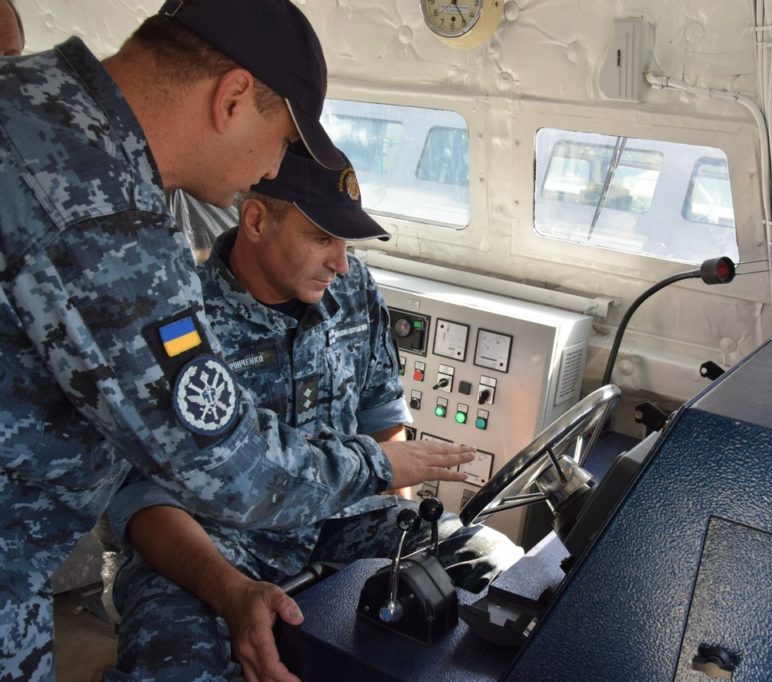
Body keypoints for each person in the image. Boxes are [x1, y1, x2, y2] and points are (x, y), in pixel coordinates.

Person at [0, 1, 472, 677]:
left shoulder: (28, 100)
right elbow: (223, 464)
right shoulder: (103, 212)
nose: (270, 165)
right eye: (283, 140)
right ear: (233, 96)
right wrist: (377, 466)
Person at [106, 148, 524, 681]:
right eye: (322, 238)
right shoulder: (181, 323)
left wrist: (407, 531)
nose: (342, 262)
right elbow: (139, 499)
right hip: (215, 541)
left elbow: (379, 412)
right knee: (170, 661)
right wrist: (231, 592)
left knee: (495, 559)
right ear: (256, 220)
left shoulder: (352, 289)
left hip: (344, 515)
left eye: (346, 242)